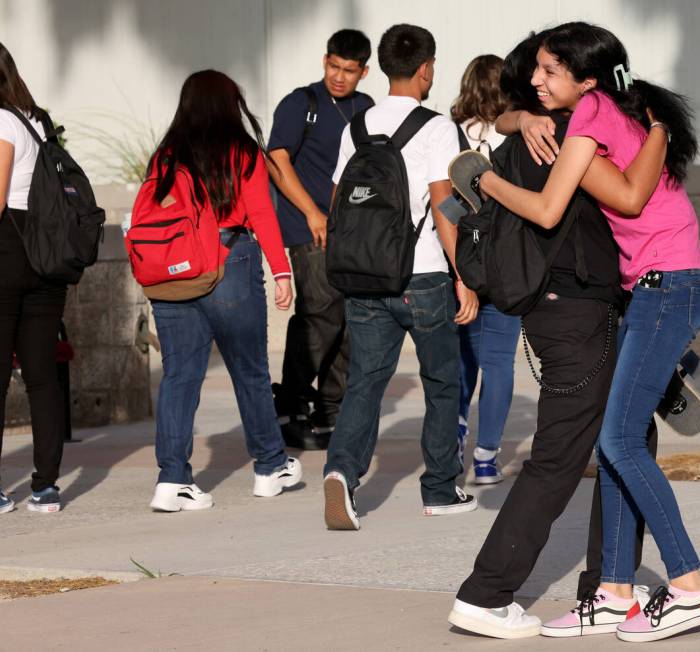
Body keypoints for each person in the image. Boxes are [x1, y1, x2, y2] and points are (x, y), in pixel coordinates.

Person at [469, 22, 700, 643]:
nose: (535, 80)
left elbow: (570, 207)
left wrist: (485, 181)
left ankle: (691, 587)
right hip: (650, 288)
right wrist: (519, 120)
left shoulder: (590, 117)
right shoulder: (620, 110)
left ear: (586, 80)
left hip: (668, 285)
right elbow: (629, 190)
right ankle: (611, 593)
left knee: (620, 443)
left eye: (549, 71)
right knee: (616, 442)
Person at [322, 23, 480, 531]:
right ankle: (439, 488)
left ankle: (341, 472)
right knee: (441, 384)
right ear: (427, 69)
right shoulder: (436, 128)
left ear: (383, 67)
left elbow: (337, 206)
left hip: (365, 280)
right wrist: (465, 276)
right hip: (424, 278)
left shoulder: (357, 127)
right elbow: (442, 207)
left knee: (364, 384)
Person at [146, 70, 302, 512]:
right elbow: (262, 215)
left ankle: (171, 479)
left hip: (174, 273)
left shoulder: (166, 156)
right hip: (230, 261)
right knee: (249, 370)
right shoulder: (242, 152)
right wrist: (282, 271)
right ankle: (270, 467)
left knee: (179, 376)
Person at [268, 30, 374, 450]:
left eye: (350, 70)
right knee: (319, 315)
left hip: (351, 234)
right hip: (307, 229)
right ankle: (290, 403)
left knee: (348, 322)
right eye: (334, 66)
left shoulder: (365, 108)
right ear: (324, 60)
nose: (340, 77)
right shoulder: (302, 103)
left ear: (364, 72)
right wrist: (313, 212)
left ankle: (331, 409)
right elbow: (277, 160)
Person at [0, 37, 67, 515]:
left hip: (3, 252)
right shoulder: (34, 118)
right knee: (41, 376)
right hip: (43, 253)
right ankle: (46, 486)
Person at [451, 54, 520, 484]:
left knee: (461, 359)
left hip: (460, 266)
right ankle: (486, 456)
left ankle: (455, 431)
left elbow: (438, 204)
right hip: (506, 267)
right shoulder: (516, 139)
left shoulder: (448, 135)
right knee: (499, 363)